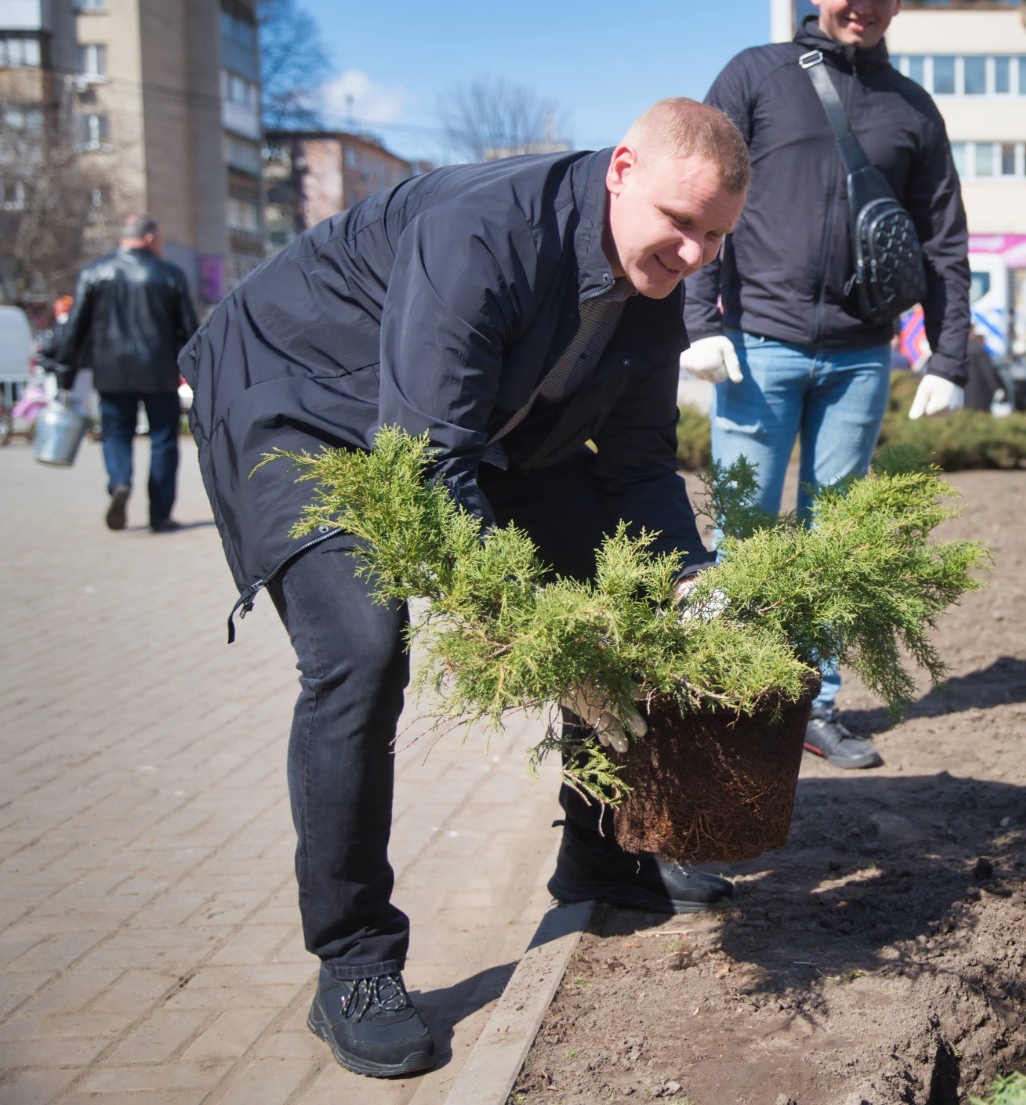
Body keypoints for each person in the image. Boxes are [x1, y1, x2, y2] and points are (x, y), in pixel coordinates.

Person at [177, 101, 753, 1079]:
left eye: (715, 235)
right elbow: (424, 464)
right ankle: (354, 960)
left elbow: (641, 461)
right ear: (621, 169)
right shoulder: (482, 228)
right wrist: (521, 618)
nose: (696, 253)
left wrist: (686, 574)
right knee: (359, 653)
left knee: (627, 582)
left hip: (452, 428)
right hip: (301, 403)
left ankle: (604, 852)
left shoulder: (657, 282)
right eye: (680, 221)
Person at [684, 0, 970, 771]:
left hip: (858, 357)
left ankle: (816, 702)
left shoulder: (913, 108)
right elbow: (700, 190)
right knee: (744, 534)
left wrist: (948, 356)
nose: (864, 3)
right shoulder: (756, 76)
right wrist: (700, 321)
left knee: (835, 538)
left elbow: (945, 239)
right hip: (759, 345)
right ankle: (729, 698)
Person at [44, 215, 197, 532]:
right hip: (160, 373)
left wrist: (64, 376)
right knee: (164, 441)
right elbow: (191, 332)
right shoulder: (169, 274)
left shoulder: (95, 272)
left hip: (111, 374)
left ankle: (119, 482)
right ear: (151, 238)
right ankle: (160, 515)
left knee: (116, 433)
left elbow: (75, 329)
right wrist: (201, 376)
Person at [963, 326, 1007, 413]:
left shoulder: (956, 349)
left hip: (961, 394)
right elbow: (987, 372)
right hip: (978, 395)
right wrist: (996, 389)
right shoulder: (978, 349)